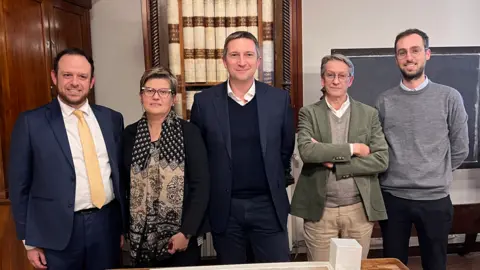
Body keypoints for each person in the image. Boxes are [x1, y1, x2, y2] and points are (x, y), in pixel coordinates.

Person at [8, 48, 126, 270]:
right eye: (67, 75)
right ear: (54, 77)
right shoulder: (30, 123)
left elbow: (117, 175)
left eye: (82, 76)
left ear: (92, 82)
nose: (75, 82)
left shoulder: (111, 119)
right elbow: (19, 186)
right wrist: (29, 241)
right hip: (55, 234)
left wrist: (120, 228)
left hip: (105, 227)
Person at [190, 31, 295, 264]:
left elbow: (285, 149)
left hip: (267, 205)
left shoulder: (279, 100)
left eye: (248, 54)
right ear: (224, 60)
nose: (241, 61)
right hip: (225, 208)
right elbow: (200, 156)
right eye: (234, 54)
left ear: (258, 61)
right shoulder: (204, 102)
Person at [375, 28, 469, 270]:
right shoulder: (384, 101)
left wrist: (435, 174)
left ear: (427, 54)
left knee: (435, 264)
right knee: (393, 264)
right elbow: (379, 148)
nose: (409, 57)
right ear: (396, 58)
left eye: (415, 50)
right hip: (394, 199)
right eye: (402, 52)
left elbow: (460, 148)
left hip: (435, 200)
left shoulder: (450, 97)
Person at [291, 54, 389, 261]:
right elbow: (307, 152)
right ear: (322, 79)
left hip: (358, 212)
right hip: (320, 212)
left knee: (354, 267)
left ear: (350, 80)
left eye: (342, 76)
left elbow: (381, 159)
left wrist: (336, 165)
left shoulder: (369, 114)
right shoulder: (308, 113)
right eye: (330, 75)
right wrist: (354, 148)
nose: (336, 81)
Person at [122, 67, 210, 267]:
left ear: (174, 99)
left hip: (181, 237)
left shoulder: (190, 133)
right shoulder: (129, 135)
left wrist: (186, 232)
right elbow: (123, 185)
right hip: (140, 237)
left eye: (163, 92)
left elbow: (201, 186)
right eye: (149, 90)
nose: (156, 96)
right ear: (140, 96)